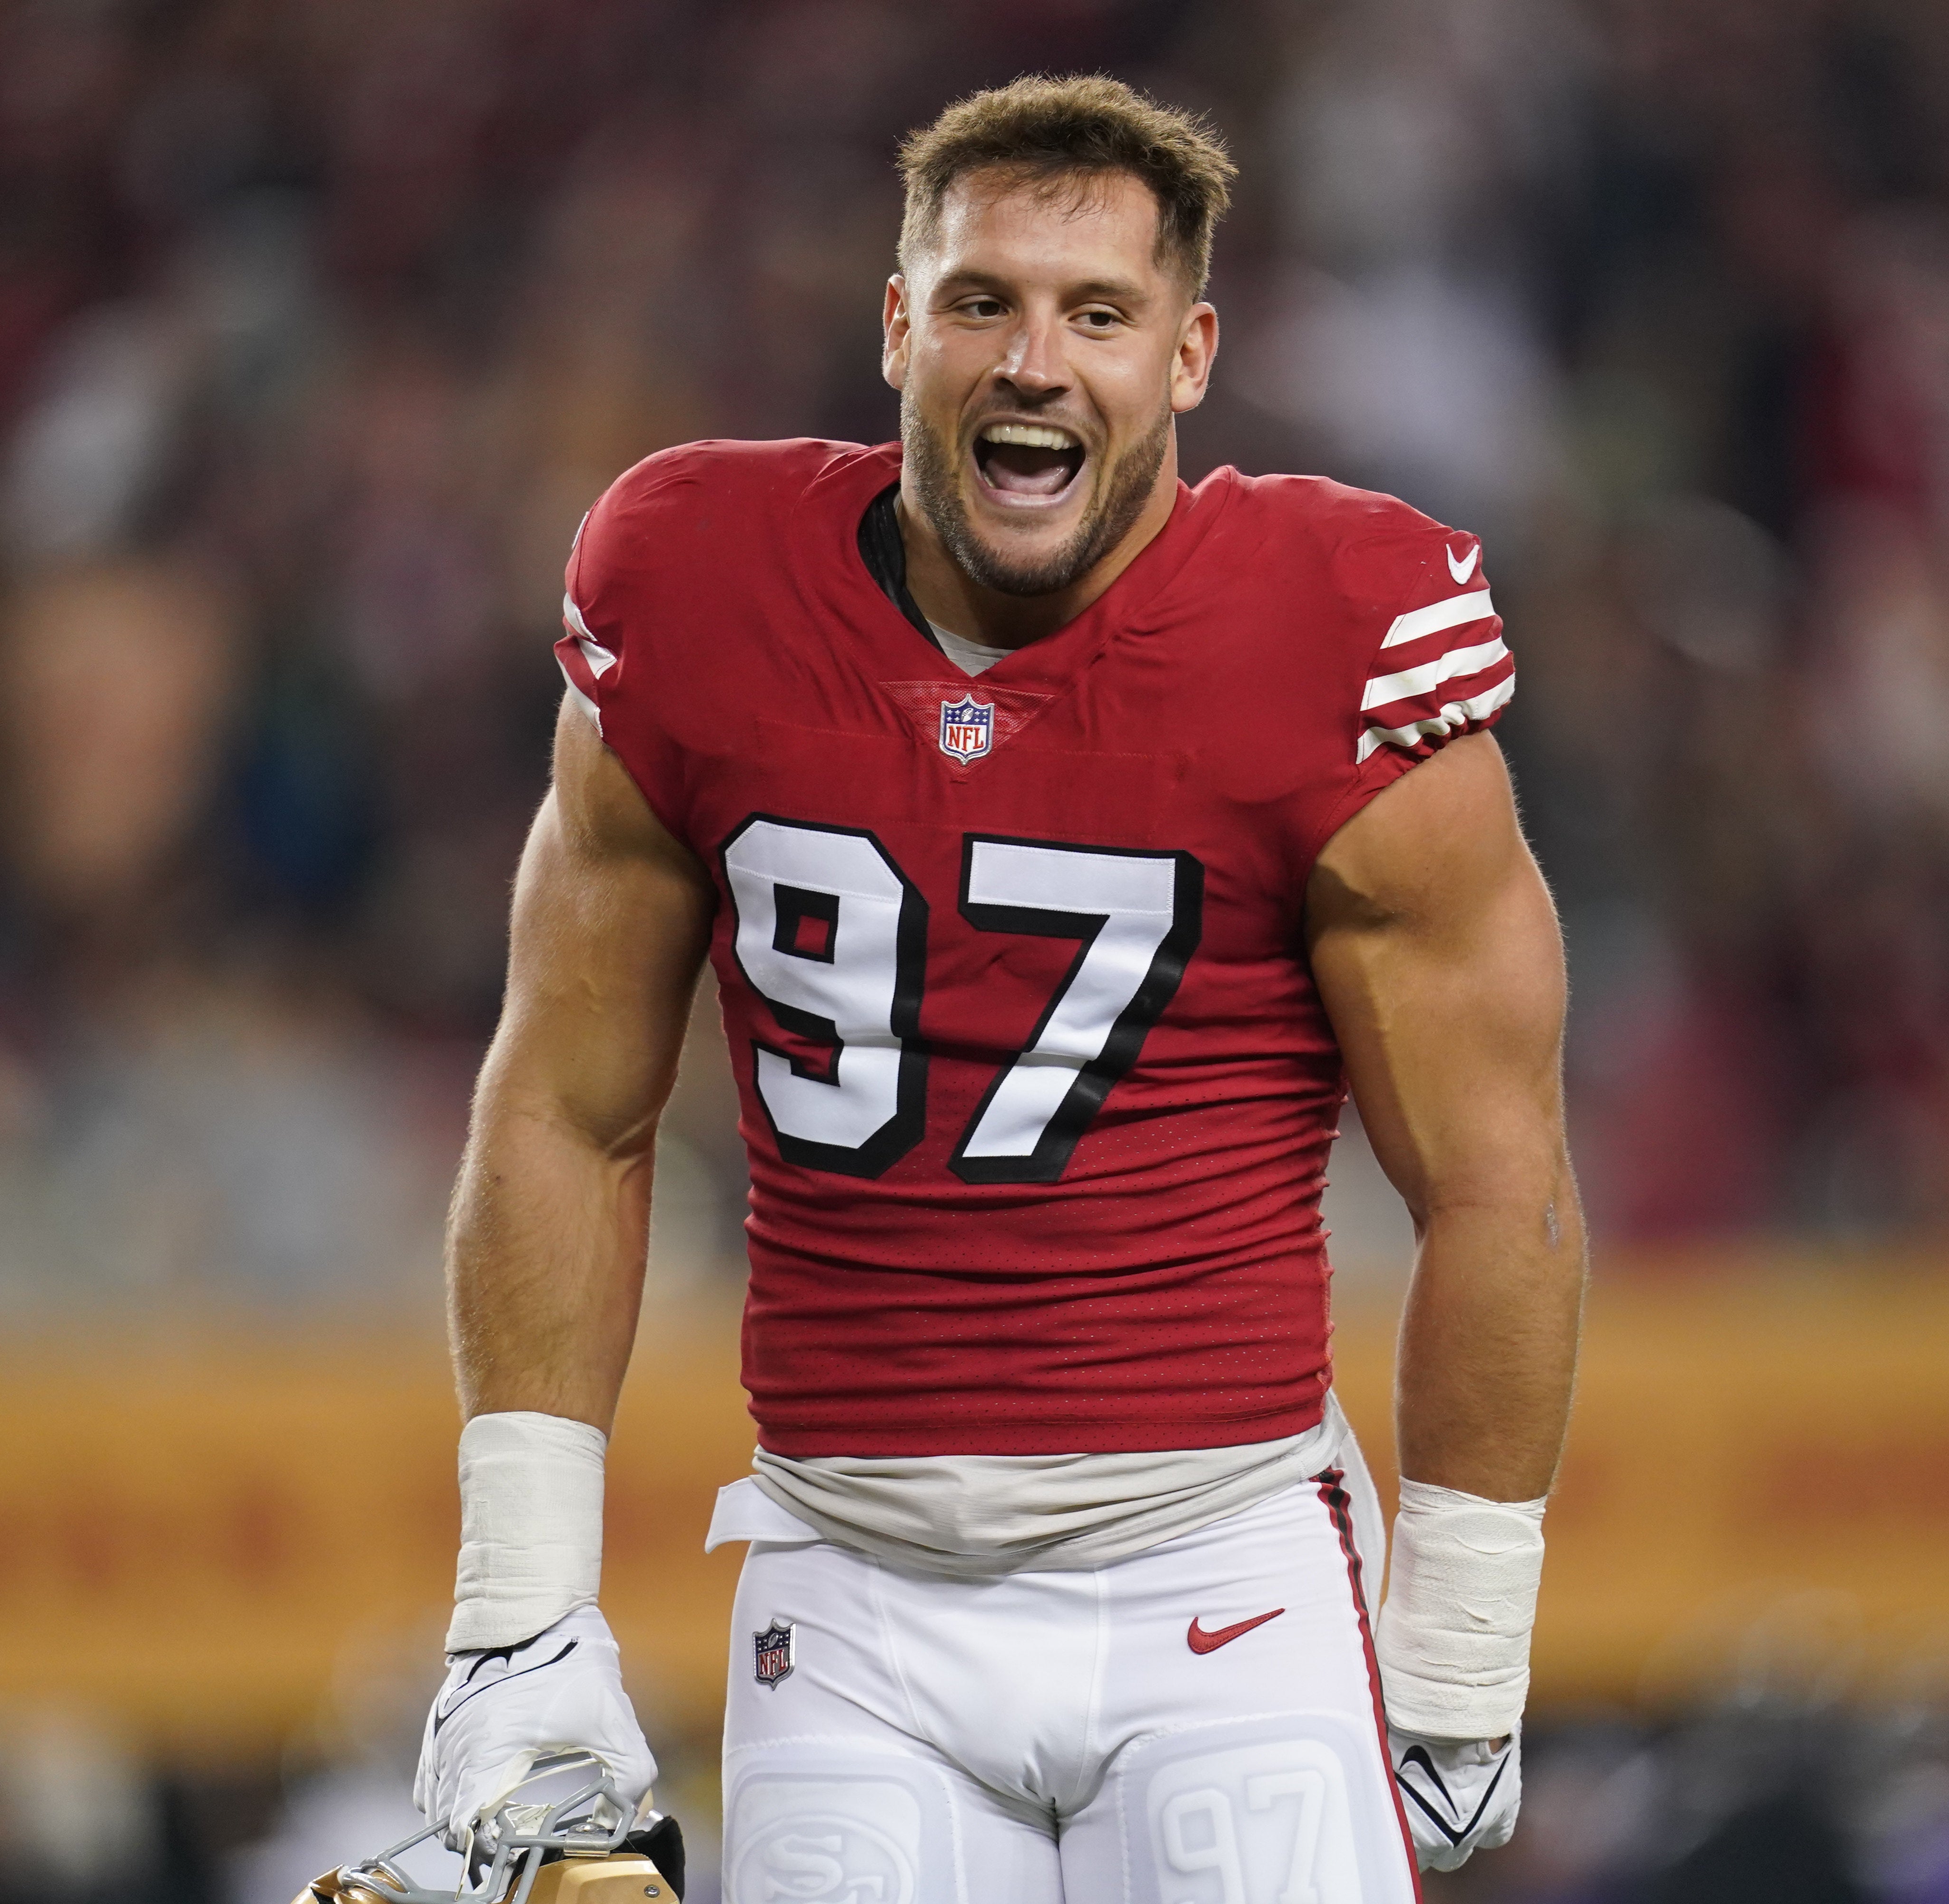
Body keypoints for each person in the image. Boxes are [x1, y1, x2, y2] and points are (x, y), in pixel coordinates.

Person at [413, 74, 1583, 1904]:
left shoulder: (1333, 621)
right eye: (984, 302)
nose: (1035, 361)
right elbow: (565, 1105)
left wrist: (1459, 1643)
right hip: (845, 1584)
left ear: (1188, 356)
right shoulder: (699, 585)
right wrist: (517, 1605)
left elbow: (1501, 1184)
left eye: (1097, 315)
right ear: (900, 326)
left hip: (1220, 1570)